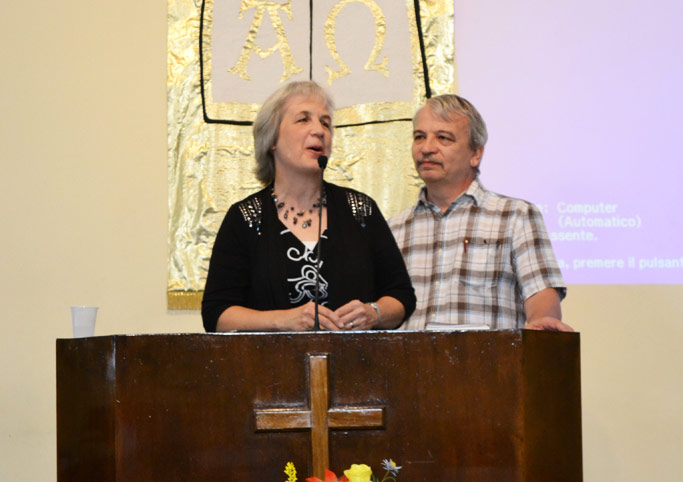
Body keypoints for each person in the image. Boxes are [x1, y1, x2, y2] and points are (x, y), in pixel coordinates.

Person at [202, 81, 416, 332]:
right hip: (272, 368)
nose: (319, 130)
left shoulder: (360, 210)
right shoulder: (246, 218)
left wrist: (374, 313)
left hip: (357, 366)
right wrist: (283, 320)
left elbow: (401, 296)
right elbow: (217, 314)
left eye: (325, 123)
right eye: (303, 119)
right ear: (272, 138)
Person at [389, 94, 572, 331]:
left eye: (443, 138)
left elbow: (542, 298)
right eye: (419, 137)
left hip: (486, 365)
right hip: (406, 366)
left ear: (476, 153)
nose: (426, 148)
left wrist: (541, 323)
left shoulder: (515, 216)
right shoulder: (392, 228)